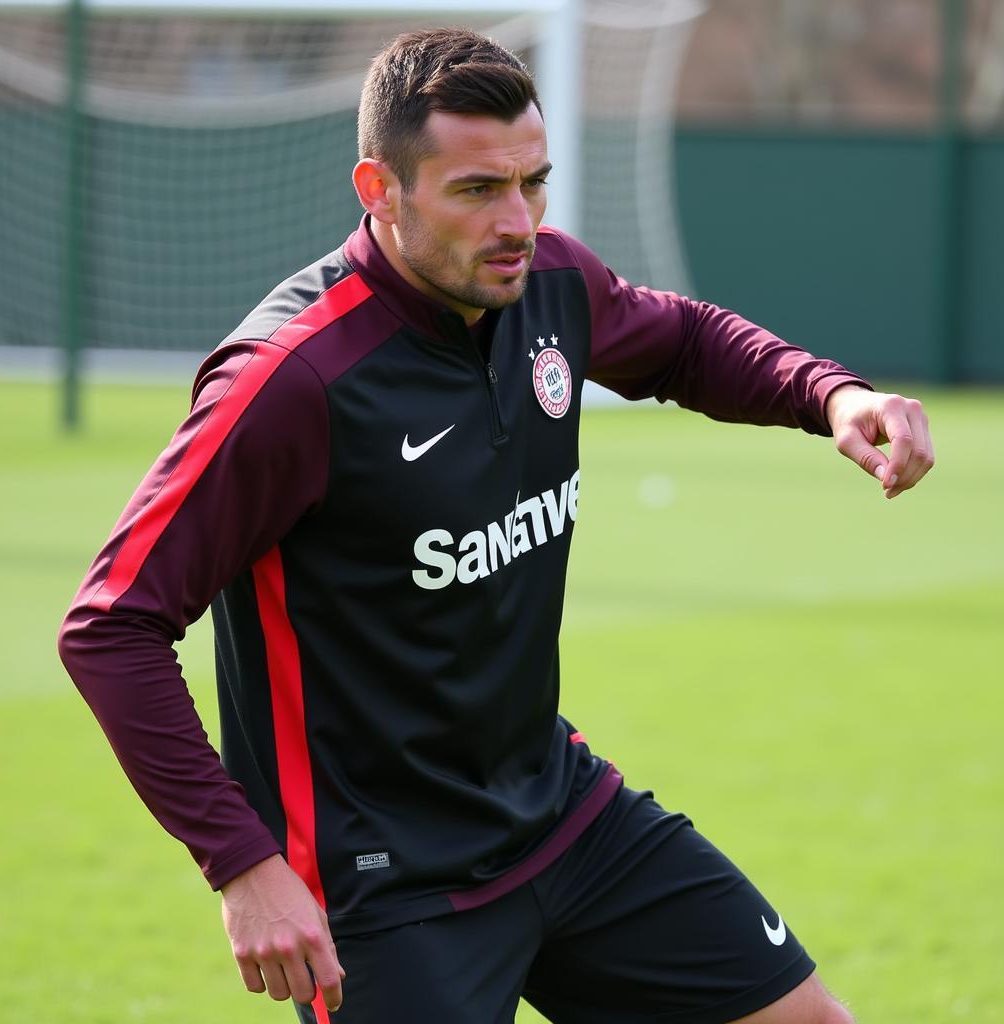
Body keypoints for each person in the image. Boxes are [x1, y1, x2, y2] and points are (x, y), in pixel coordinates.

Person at [59, 27, 934, 1024]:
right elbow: (111, 625)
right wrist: (243, 864)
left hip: (558, 815)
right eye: (477, 190)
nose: (516, 220)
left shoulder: (546, 287)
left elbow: (684, 341)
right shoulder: (291, 381)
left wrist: (828, 394)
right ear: (379, 189)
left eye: (533, 183)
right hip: (383, 892)